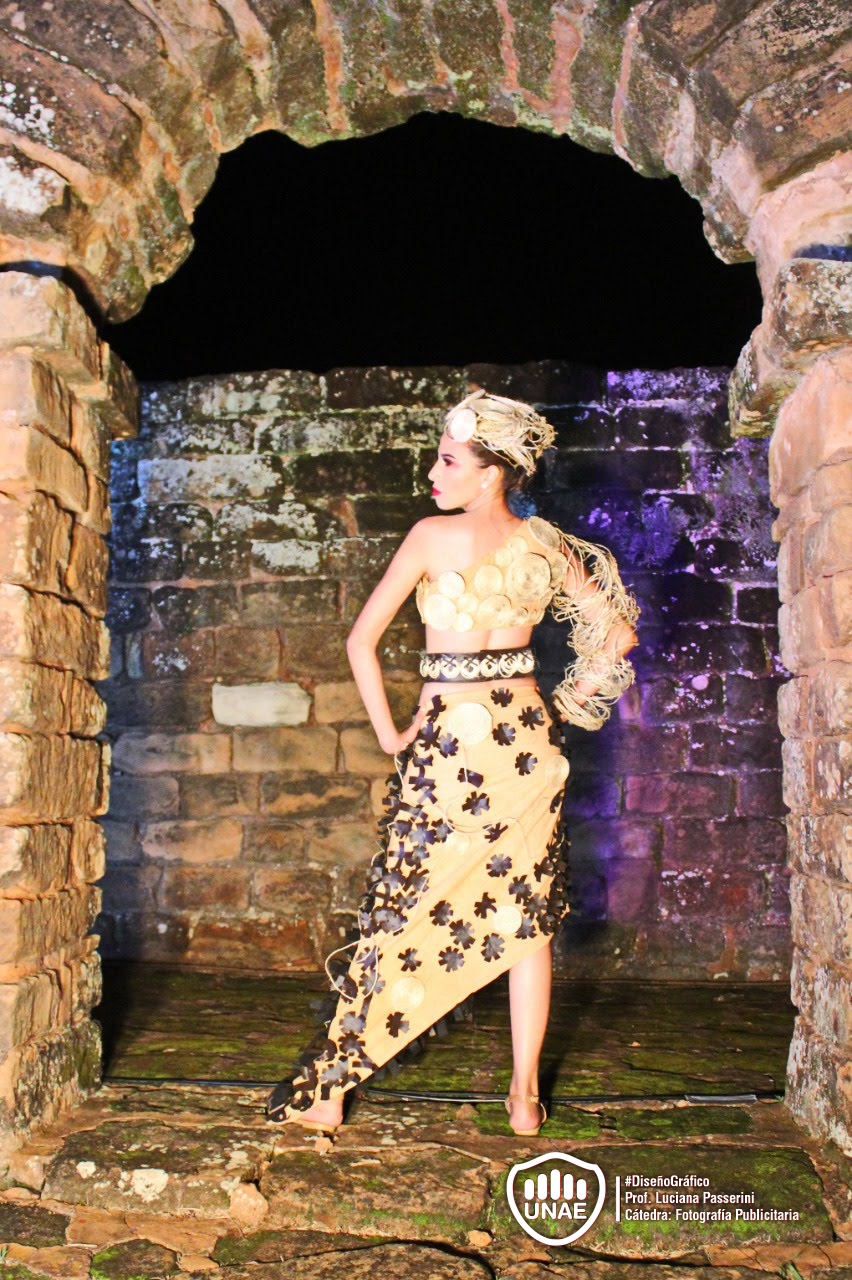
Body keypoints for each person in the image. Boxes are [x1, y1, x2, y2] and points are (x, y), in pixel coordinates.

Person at [266, 388, 640, 1137]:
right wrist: (565, 709)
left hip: (446, 744)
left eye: (447, 461)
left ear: (491, 472)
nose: (433, 475)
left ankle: (332, 1090)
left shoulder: (431, 537)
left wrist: (390, 734)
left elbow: (359, 641)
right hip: (525, 742)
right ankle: (524, 1100)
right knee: (528, 919)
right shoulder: (546, 545)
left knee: (404, 899)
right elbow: (617, 634)